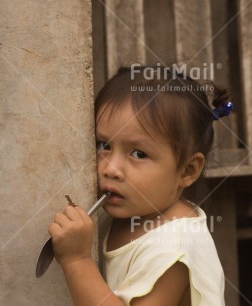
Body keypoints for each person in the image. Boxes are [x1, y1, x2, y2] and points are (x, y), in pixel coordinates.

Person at [49, 65, 232, 306]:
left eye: (138, 153)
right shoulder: (117, 215)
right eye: (104, 145)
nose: (110, 168)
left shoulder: (175, 246)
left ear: (187, 170)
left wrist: (77, 260)